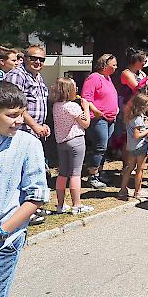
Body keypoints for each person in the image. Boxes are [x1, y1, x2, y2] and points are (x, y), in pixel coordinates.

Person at [0, 81, 49, 297]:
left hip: (3, 241)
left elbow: (36, 196)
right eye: (12, 115)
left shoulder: (26, 144)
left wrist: (0, 233)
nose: (19, 121)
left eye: (21, 114)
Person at [50, 78, 93, 214]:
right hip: (76, 141)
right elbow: (85, 123)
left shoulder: (56, 106)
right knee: (75, 174)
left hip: (61, 142)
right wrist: (86, 108)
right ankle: (77, 205)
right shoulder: (73, 106)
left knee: (62, 173)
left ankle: (60, 205)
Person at [81, 54, 119, 188]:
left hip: (110, 118)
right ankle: (93, 175)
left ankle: (100, 172)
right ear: (104, 65)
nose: (116, 67)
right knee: (100, 147)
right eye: (113, 65)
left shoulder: (107, 79)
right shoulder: (94, 78)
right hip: (99, 118)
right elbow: (86, 97)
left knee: (105, 147)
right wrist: (95, 110)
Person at [4, 45, 50, 139]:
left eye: (41, 60)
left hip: (34, 133)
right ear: (24, 59)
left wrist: (42, 125)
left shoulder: (38, 77)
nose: (38, 62)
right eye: (33, 58)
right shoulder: (17, 74)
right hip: (19, 132)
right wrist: (35, 126)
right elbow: (14, 105)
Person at [119, 93, 148, 200]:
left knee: (129, 168)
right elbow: (137, 135)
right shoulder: (138, 119)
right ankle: (138, 191)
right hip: (140, 146)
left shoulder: (130, 116)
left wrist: (146, 126)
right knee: (140, 169)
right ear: (143, 106)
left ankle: (123, 189)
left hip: (131, 147)